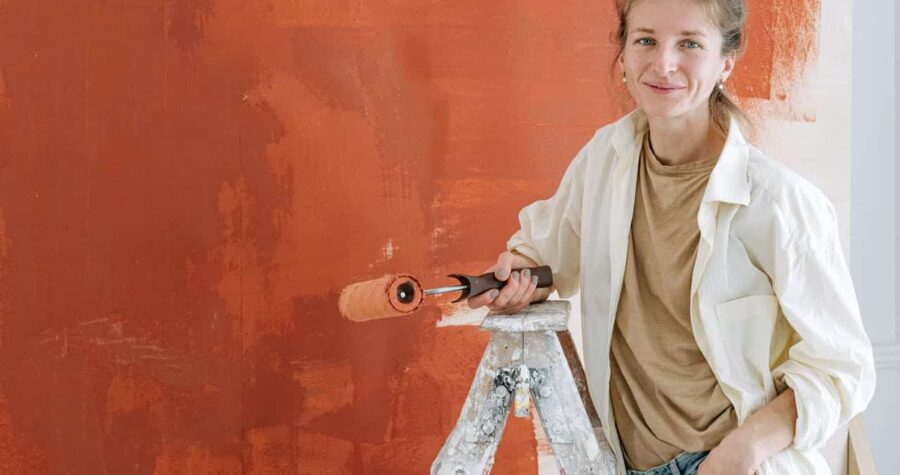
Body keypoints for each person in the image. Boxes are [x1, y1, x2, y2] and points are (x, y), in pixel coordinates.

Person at [466, 0, 876, 474]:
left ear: (726, 61)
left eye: (689, 44)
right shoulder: (605, 159)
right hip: (624, 464)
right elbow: (546, 254)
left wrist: (742, 450)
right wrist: (519, 276)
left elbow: (842, 368)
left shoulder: (779, 202)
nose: (663, 64)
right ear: (622, 54)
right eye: (645, 40)